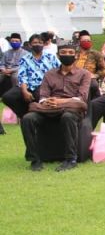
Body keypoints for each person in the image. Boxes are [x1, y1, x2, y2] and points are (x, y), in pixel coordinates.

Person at [20, 42, 91, 171]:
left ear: (76, 56)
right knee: (27, 119)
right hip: (50, 109)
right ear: (58, 55)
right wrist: (49, 101)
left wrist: (60, 102)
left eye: (71, 53)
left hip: (72, 109)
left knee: (68, 116)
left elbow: (81, 98)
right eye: (64, 53)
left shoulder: (84, 74)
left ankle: (71, 159)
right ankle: (34, 159)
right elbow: (43, 97)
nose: (67, 55)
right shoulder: (49, 74)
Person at [2, 34, 59, 120]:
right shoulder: (25, 58)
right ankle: (25, 115)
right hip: (28, 85)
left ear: (43, 44)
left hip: (44, 85)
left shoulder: (51, 57)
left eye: (40, 43)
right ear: (30, 45)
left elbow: (60, 70)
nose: (38, 45)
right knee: (7, 97)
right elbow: (22, 76)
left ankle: (39, 118)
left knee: (38, 96)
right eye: (35, 43)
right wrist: (24, 91)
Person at [71, 30, 105, 100]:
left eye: (88, 40)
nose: (86, 42)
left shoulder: (96, 54)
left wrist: (95, 75)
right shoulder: (73, 53)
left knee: (93, 85)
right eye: (84, 41)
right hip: (74, 76)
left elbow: (103, 70)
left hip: (89, 78)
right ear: (79, 42)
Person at [1, 32, 26, 98]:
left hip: (17, 70)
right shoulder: (6, 52)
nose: (14, 43)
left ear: (20, 42)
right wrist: (3, 70)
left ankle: (15, 95)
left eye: (16, 41)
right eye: (12, 41)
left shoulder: (25, 53)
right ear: (10, 42)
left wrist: (11, 70)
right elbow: (2, 63)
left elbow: (23, 65)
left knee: (15, 77)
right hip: (5, 71)